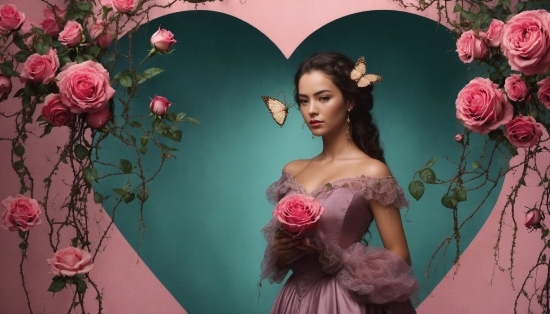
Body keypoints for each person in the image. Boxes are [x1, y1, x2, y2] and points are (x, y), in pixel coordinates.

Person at [260, 52, 420, 314]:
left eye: (323, 98)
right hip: (293, 300)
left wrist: (331, 258)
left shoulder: (372, 172)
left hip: (343, 302)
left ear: (349, 102)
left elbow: (400, 258)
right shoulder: (292, 171)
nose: (311, 109)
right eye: (303, 100)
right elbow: (282, 258)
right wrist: (283, 250)